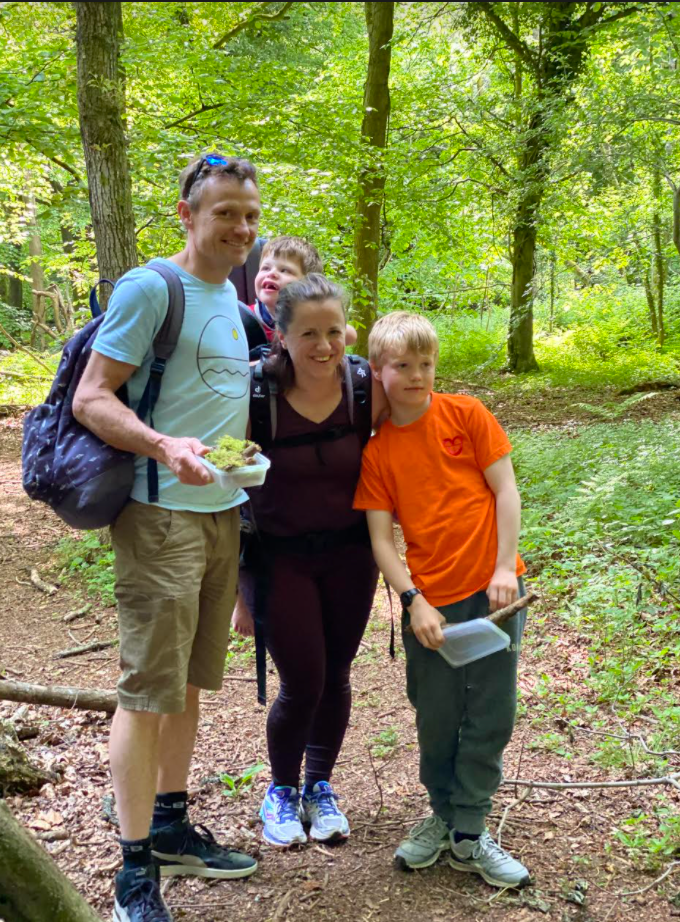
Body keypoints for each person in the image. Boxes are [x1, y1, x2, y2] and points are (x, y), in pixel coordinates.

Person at [73, 153, 261, 922]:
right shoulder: (154, 288)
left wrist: (229, 458)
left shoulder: (231, 296)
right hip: (159, 518)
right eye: (225, 213)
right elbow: (93, 396)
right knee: (147, 694)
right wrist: (163, 446)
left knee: (185, 685)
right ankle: (133, 873)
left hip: (220, 513)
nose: (241, 228)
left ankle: (174, 826)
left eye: (250, 214)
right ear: (188, 215)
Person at [353, 311, 531, 890]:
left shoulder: (467, 415)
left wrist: (504, 568)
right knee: (436, 712)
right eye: (402, 366)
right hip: (431, 607)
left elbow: (505, 489)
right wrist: (413, 601)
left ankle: (470, 830)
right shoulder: (378, 452)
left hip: (496, 594)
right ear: (377, 371)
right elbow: (382, 539)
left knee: (491, 709)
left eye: (425, 363)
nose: (417, 375)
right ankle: (442, 813)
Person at [232, 274, 386, 849]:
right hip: (279, 557)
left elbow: (409, 447)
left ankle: (320, 786)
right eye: (308, 334)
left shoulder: (367, 387)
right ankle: (280, 789)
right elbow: (224, 476)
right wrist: (234, 590)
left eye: (334, 331)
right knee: (304, 680)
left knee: (338, 674)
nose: (325, 345)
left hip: (350, 555)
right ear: (282, 336)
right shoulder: (255, 394)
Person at [245, 235, 358, 358]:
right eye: (265, 268)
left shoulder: (313, 317)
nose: (271, 274)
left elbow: (351, 335)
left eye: (284, 270)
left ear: (307, 286)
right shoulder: (244, 317)